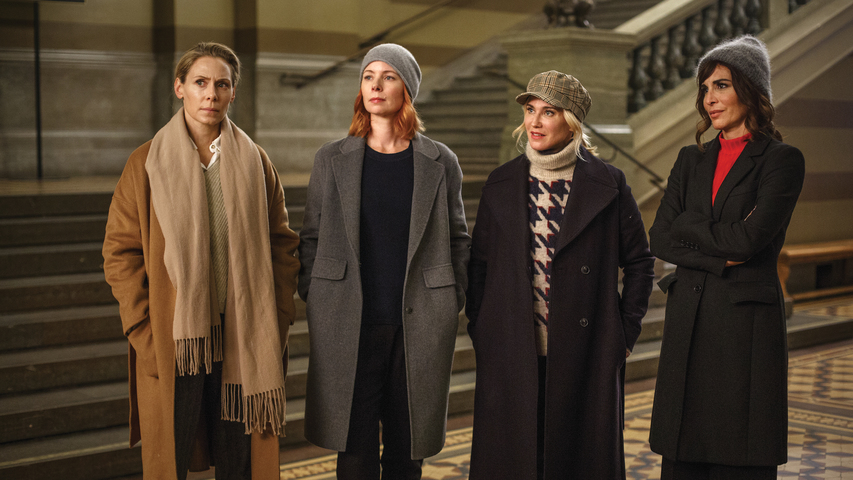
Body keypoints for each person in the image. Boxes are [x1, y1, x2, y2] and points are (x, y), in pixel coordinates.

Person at [103, 42, 300, 480]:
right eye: (200, 82)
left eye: (222, 84)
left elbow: (283, 245)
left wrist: (278, 318)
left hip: (243, 336)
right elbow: (119, 252)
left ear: (233, 93)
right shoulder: (146, 163)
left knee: (239, 463)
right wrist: (143, 330)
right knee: (170, 461)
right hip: (176, 339)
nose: (211, 93)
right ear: (180, 88)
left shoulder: (256, 161)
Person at [465, 70, 655, 479]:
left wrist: (623, 334)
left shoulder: (609, 183)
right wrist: (483, 328)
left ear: (571, 122)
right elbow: (479, 264)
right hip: (511, 349)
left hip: (586, 351)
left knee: (576, 461)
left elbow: (640, 263)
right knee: (514, 461)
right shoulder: (501, 182)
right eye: (530, 110)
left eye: (548, 112)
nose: (534, 122)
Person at [297, 43, 470, 479]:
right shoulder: (331, 158)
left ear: (406, 89)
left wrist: (452, 298)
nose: (376, 85)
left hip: (419, 323)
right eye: (368, 76)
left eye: (388, 76)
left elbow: (458, 239)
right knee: (353, 451)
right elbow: (312, 236)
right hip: (347, 321)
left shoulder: (440, 161)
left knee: (406, 451)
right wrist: (316, 294)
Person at [648, 35, 805, 479]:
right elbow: (660, 238)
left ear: (752, 90)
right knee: (683, 457)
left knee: (739, 456)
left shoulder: (781, 161)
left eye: (721, 85)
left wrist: (689, 226)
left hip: (744, 330)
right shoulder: (689, 159)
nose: (709, 99)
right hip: (689, 320)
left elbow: (748, 241)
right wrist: (718, 256)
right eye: (704, 88)